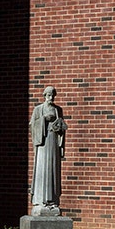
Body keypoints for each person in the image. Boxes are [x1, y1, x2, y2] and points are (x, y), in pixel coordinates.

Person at [29, 86, 67, 216]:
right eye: (49, 95)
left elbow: (62, 128)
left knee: (53, 169)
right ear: (44, 95)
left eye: (53, 95)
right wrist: (44, 120)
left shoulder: (58, 110)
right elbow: (32, 125)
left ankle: (53, 201)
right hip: (43, 143)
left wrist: (60, 127)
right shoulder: (38, 109)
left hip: (54, 143)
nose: (51, 98)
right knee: (42, 169)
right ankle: (41, 201)